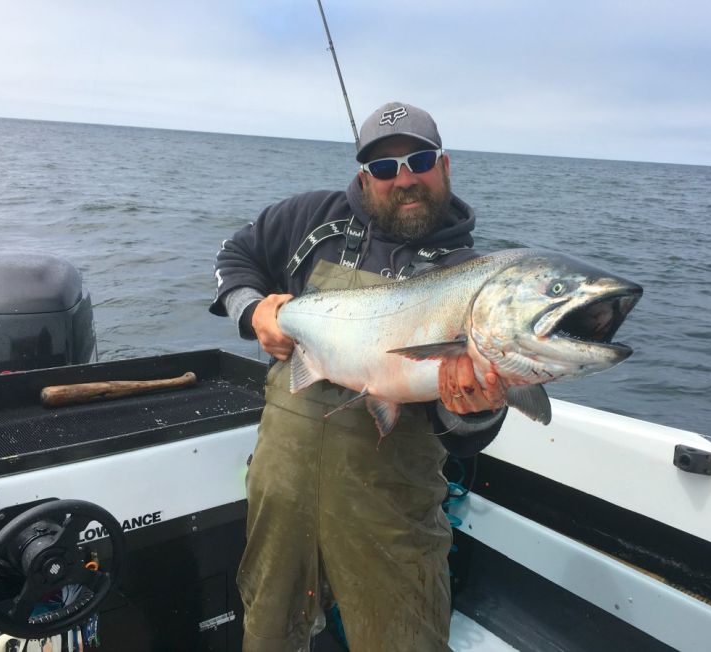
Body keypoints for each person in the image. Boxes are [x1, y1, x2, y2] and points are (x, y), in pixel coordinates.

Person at [210, 101, 508, 651]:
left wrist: (475, 407)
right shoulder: (308, 219)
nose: (405, 179)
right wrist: (254, 312)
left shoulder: (470, 276)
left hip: (392, 508)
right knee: (269, 630)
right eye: (385, 168)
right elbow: (236, 253)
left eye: (418, 160)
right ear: (364, 176)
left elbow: (465, 432)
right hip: (281, 487)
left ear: (445, 165)